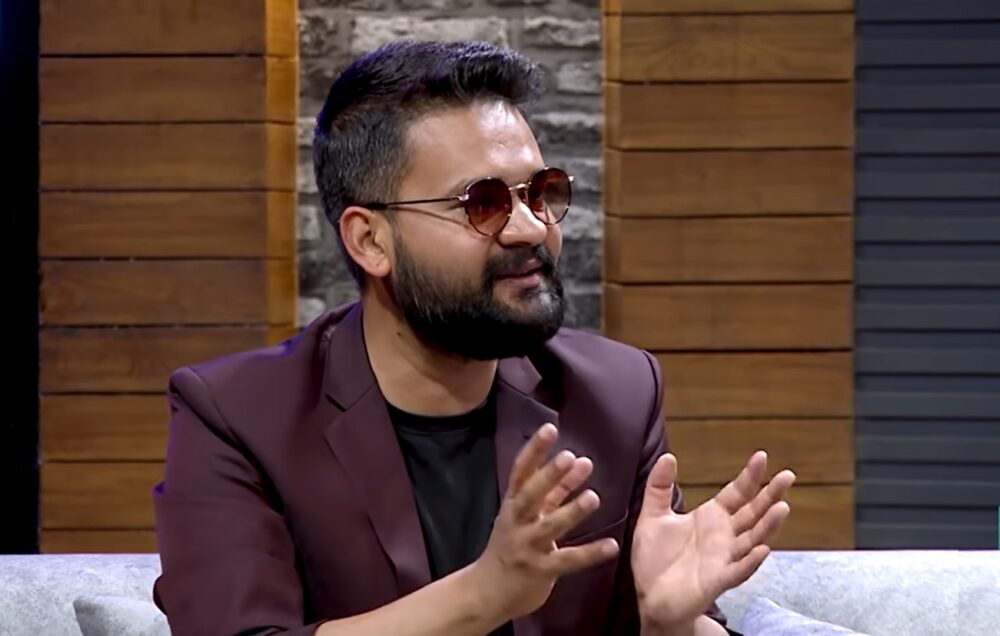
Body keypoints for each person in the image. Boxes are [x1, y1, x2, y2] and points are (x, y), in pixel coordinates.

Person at [152, 40, 795, 636]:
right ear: (370, 240)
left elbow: (674, 613)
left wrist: (670, 624)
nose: (529, 228)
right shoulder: (237, 417)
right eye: (482, 203)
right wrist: (483, 595)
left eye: (540, 192)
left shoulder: (617, 394)